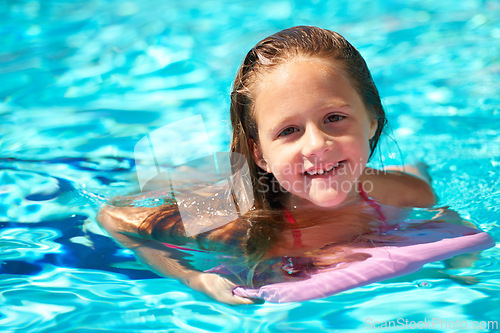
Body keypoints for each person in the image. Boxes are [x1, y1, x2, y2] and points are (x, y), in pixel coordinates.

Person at [98, 26, 436, 305]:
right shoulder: (234, 223)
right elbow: (113, 218)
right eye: (289, 131)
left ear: (372, 121)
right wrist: (193, 278)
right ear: (260, 153)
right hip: (209, 184)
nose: (317, 144)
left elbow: (442, 219)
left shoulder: (404, 193)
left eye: (334, 118)